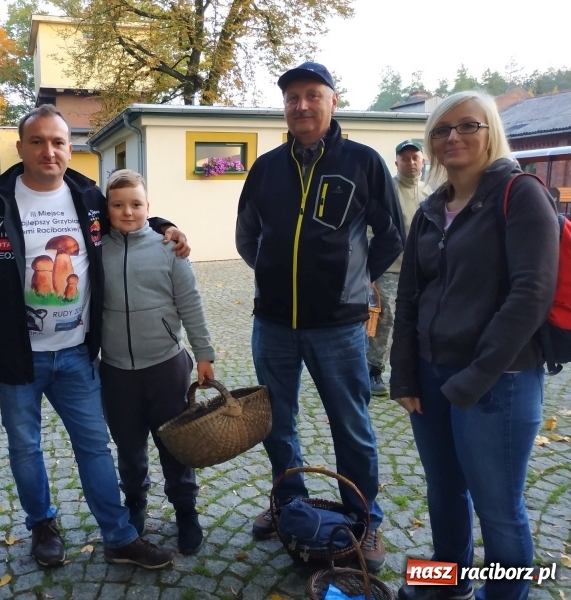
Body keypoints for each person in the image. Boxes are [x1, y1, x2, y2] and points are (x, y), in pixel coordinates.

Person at [0, 105, 186, 570]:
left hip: (77, 353)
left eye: (58, 142)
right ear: (20, 148)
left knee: (94, 446)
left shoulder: (88, 197)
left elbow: (129, 215)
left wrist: (164, 226)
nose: (49, 151)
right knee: (26, 448)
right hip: (14, 356)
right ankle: (42, 525)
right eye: (37, 141)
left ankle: (119, 537)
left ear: (69, 147)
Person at [235, 61, 404, 572]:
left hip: (339, 327)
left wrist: (357, 278)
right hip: (273, 324)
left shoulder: (363, 162)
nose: (302, 105)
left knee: (351, 425)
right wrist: (272, 275)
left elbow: (392, 234)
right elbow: (247, 235)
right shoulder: (266, 167)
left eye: (313, 95)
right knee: (277, 423)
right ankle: (288, 505)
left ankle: (364, 519)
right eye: (292, 98)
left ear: (333, 101)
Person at [390, 91, 558, 600]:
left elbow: (531, 295)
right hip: (431, 374)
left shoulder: (521, 193)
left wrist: (476, 377)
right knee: (443, 491)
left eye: (468, 126)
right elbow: (409, 296)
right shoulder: (430, 209)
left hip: (499, 381)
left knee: (498, 508)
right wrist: (405, 374)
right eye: (441, 130)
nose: (453, 137)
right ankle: (447, 582)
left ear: (491, 133)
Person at [100, 169, 215, 555]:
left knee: (175, 444)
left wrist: (204, 353)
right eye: (118, 205)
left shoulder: (169, 249)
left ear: (148, 207)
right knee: (128, 446)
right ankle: (135, 503)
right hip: (116, 370)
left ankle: (186, 510)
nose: (127, 212)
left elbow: (190, 302)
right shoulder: (97, 250)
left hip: (166, 366)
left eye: (136, 204)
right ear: (107, 209)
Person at [367, 140, 432, 396]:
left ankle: (409, 370)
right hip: (390, 269)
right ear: (396, 163)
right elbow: (371, 230)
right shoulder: (387, 191)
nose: (411, 163)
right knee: (386, 319)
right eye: (405, 158)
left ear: (423, 161)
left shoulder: (431, 194)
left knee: (419, 320)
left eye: (415, 158)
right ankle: (373, 370)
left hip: (421, 271)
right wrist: (371, 271)